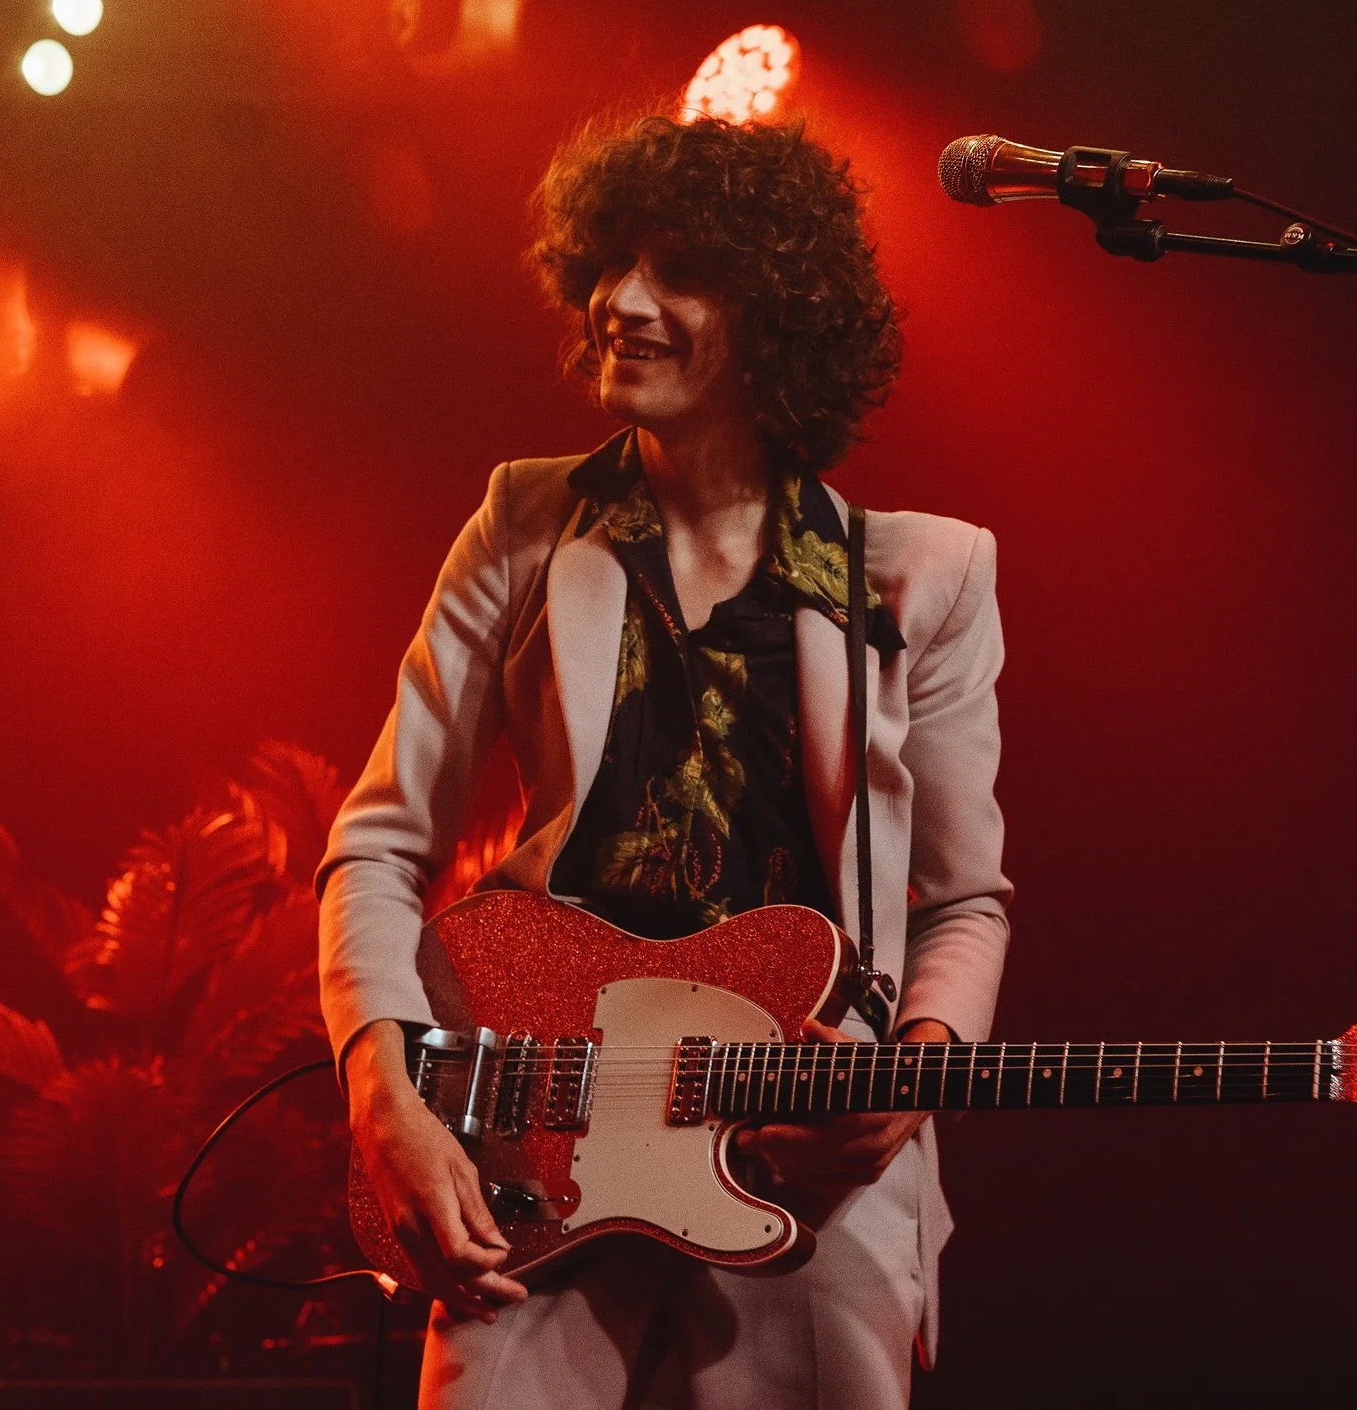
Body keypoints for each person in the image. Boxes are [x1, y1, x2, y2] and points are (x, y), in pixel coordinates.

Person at [314, 115, 1011, 1409]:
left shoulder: (925, 571)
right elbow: (382, 840)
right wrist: (383, 1087)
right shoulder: (523, 522)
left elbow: (964, 899)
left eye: (678, 273)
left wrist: (910, 1077)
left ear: (778, 314)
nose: (620, 302)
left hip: (803, 1146)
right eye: (611, 265)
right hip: (538, 1121)